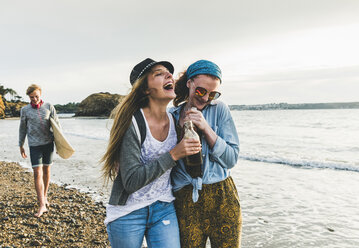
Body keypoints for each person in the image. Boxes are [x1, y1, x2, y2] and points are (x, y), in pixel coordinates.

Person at [101, 58, 201, 248]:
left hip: (164, 207)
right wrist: (173, 155)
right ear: (145, 89)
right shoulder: (133, 124)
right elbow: (130, 182)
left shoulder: (176, 121)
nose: (168, 75)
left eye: (168, 72)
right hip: (128, 212)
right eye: (159, 73)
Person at [170, 60, 242, 247]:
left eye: (212, 94)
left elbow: (231, 159)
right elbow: (164, 159)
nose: (205, 98)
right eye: (201, 91)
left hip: (222, 197)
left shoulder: (220, 110)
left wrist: (206, 128)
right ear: (189, 83)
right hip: (185, 198)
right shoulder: (172, 115)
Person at [19, 84, 60, 217]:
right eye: (32, 97)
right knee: (37, 173)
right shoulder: (25, 110)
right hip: (34, 145)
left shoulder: (49, 107)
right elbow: (23, 128)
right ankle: (42, 204)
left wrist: (60, 145)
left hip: (48, 144)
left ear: (40, 94)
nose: (34, 99)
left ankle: (44, 196)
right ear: (29, 97)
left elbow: (57, 127)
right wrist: (21, 145)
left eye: (36, 96)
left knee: (47, 171)